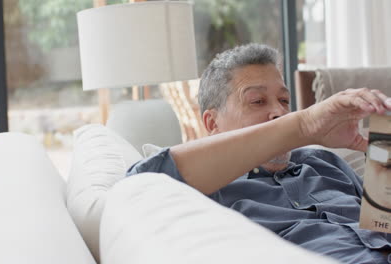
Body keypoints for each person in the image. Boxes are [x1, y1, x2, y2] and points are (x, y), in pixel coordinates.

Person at [127, 43, 391, 264]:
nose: (279, 111)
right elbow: (140, 185)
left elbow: (383, 224)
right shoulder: (208, 189)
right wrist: (302, 126)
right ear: (212, 124)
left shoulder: (324, 162)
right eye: (257, 101)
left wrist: (384, 161)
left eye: (285, 101)